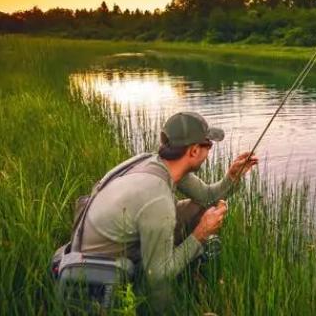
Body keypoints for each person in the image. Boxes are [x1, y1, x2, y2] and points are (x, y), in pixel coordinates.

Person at [77, 111, 258, 309]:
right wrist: (201, 233)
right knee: (161, 277)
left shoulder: (157, 162)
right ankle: (163, 309)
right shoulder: (157, 198)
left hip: (114, 240)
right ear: (194, 151)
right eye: (209, 146)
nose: (209, 152)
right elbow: (157, 274)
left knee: (199, 207)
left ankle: (185, 267)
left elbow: (207, 197)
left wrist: (232, 176)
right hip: (102, 269)